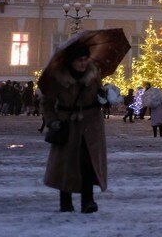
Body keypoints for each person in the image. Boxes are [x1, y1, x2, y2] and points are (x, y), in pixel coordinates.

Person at [42, 42, 108, 214]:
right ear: (70, 61)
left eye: (86, 59)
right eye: (79, 60)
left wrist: (104, 98)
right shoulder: (57, 78)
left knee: (87, 163)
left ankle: (88, 201)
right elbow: (47, 104)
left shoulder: (94, 75)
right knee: (67, 164)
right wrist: (53, 121)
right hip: (67, 125)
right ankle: (65, 201)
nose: (83, 63)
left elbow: (100, 95)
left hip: (90, 125)